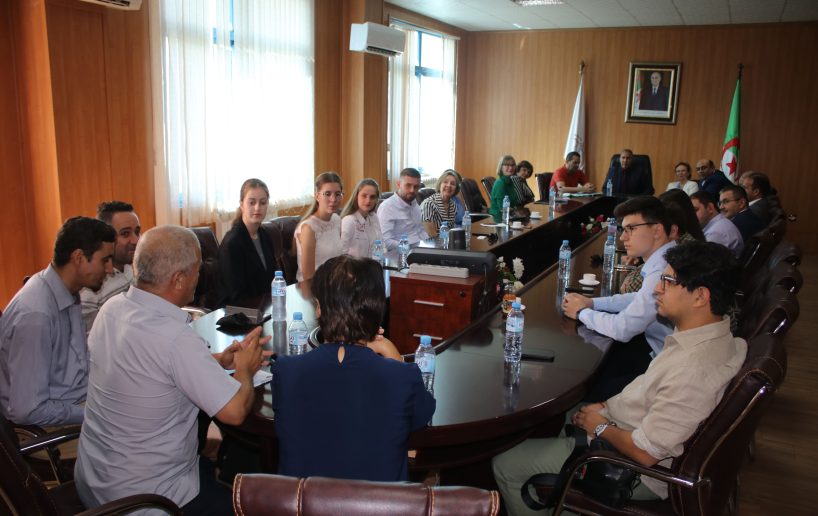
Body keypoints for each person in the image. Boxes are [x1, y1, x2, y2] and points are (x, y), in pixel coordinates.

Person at [493, 241, 747, 516]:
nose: (657, 288)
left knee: (506, 463)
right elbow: (654, 391)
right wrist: (607, 407)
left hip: (633, 470)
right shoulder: (714, 336)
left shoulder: (693, 367)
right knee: (558, 415)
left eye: (668, 281)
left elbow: (647, 453)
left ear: (700, 297)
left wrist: (601, 426)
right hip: (626, 426)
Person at [74, 225, 268, 514]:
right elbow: (236, 412)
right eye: (197, 270)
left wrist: (214, 361)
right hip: (148, 499)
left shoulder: (112, 309)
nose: (199, 277)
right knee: (251, 507)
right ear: (178, 279)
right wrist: (246, 369)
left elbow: (149, 371)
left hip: (95, 481)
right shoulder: (175, 338)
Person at [272, 255, 435, 481]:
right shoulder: (401, 376)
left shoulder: (286, 371)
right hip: (380, 500)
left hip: (304, 499)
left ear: (319, 308)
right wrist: (393, 354)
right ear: (377, 311)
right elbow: (423, 416)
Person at [0, 217, 114, 426]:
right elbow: (28, 410)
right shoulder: (36, 315)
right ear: (79, 257)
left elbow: (74, 366)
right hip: (51, 428)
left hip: (76, 400)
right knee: (142, 434)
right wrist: (92, 414)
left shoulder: (65, 289)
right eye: (104, 260)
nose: (110, 269)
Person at [563, 197, 675, 400]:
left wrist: (580, 312)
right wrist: (593, 303)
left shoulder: (663, 268)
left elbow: (622, 329)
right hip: (654, 349)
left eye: (630, 229)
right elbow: (639, 298)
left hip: (661, 367)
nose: (623, 237)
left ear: (657, 230)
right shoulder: (664, 258)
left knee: (580, 381)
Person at [80, 201, 140, 336]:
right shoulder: (90, 288)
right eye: (125, 234)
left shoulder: (128, 268)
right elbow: (93, 342)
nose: (136, 240)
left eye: (137, 232)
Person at [218, 178, 277, 304]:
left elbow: (273, 279)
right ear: (241, 204)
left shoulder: (265, 235)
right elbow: (236, 296)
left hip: (265, 306)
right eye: (252, 202)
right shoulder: (232, 243)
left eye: (263, 203)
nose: (257, 208)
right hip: (239, 311)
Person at [295, 172, 344, 282]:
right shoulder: (309, 228)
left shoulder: (336, 219)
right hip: (313, 286)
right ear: (317, 196)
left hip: (335, 282)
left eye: (338, 194)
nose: (333, 199)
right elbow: (308, 276)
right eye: (327, 194)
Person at [379, 167, 429, 250]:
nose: (412, 190)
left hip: (420, 250)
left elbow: (421, 231)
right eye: (408, 185)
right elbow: (385, 241)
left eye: (416, 187)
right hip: (402, 253)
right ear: (399, 184)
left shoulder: (414, 203)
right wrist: (408, 247)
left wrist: (429, 245)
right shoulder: (387, 207)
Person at [690, 191, 743, 257]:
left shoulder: (715, 233)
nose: (691, 216)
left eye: (695, 210)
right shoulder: (719, 224)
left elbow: (703, 262)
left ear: (710, 208)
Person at [340, 178, 382, 258]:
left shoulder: (374, 217)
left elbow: (381, 244)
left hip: (373, 263)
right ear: (356, 197)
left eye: (372, 197)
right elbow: (341, 253)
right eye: (364, 196)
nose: (368, 200)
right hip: (353, 265)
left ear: (377, 200)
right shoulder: (349, 221)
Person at [421, 169, 460, 237]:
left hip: (446, 241)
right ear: (440, 185)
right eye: (445, 182)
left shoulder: (453, 205)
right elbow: (431, 235)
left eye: (453, 184)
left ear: (456, 189)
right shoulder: (429, 204)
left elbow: (450, 231)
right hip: (430, 242)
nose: (449, 185)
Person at [489, 154, 522, 222]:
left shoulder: (510, 181)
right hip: (499, 219)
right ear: (501, 167)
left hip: (509, 216)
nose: (510, 168)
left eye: (512, 165)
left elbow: (514, 203)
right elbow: (502, 208)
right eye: (507, 165)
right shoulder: (500, 183)